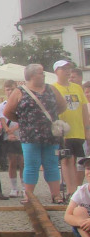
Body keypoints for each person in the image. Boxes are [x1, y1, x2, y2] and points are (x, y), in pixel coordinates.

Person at [2, 63, 67, 205]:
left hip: (50, 134)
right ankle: (29, 196)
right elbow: (8, 112)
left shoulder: (51, 89)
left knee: (51, 164)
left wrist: (50, 118)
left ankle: (56, 195)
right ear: (31, 75)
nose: (43, 75)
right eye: (40, 72)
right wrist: (24, 121)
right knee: (31, 165)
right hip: (30, 136)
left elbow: (62, 106)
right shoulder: (20, 91)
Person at [53, 60, 90, 197]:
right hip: (63, 132)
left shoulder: (77, 88)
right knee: (67, 160)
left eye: (69, 68)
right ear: (56, 71)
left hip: (78, 130)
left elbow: (84, 110)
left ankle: (78, 190)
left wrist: (87, 130)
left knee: (80, 162)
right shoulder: (53, 88)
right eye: (64, 69)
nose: (67, 71)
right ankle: (70, 190)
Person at [0, 80, 24, 197]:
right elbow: (2, 120)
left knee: (23, 162)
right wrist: (9, 132)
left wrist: (14, 131)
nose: (10, 91)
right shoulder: (2, 105)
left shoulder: (22, 103)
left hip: (21, 136)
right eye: (7, 89)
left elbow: (23, 120)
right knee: (12, 162)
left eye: (12, 89)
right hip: (9, 137)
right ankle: (14, 188)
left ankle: (24, 187)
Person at [63, 156, 90, 237]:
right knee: (78, 211)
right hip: (85, 233)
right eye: (88, 169)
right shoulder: (82, 191)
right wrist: (82, 222)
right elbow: (67, 216)